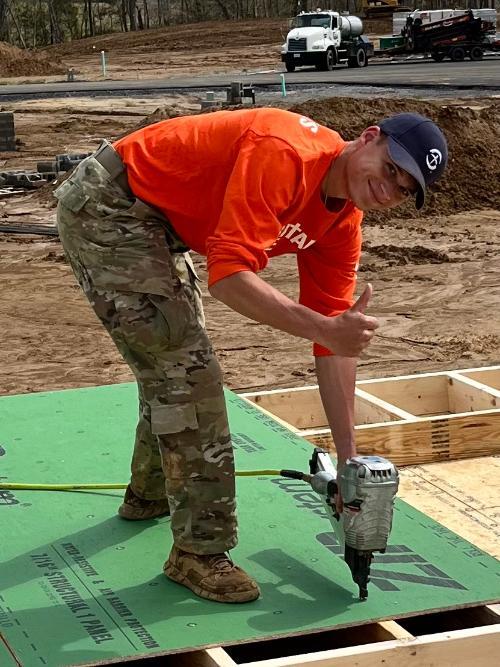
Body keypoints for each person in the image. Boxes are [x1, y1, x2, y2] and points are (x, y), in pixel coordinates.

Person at [54, 107, 448, 604]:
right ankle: (198, 553)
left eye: (404, 189)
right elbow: (229, 279)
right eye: (390, 168)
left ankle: (149, 495)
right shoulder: (285, 154)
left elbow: (334, 346)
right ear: (367, 138)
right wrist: (327, 327)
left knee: (173, 361)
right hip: (111, 205)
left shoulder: (343, 223)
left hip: (161, 224)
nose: (388, 189)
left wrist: (349, 464)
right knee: (187, 372)